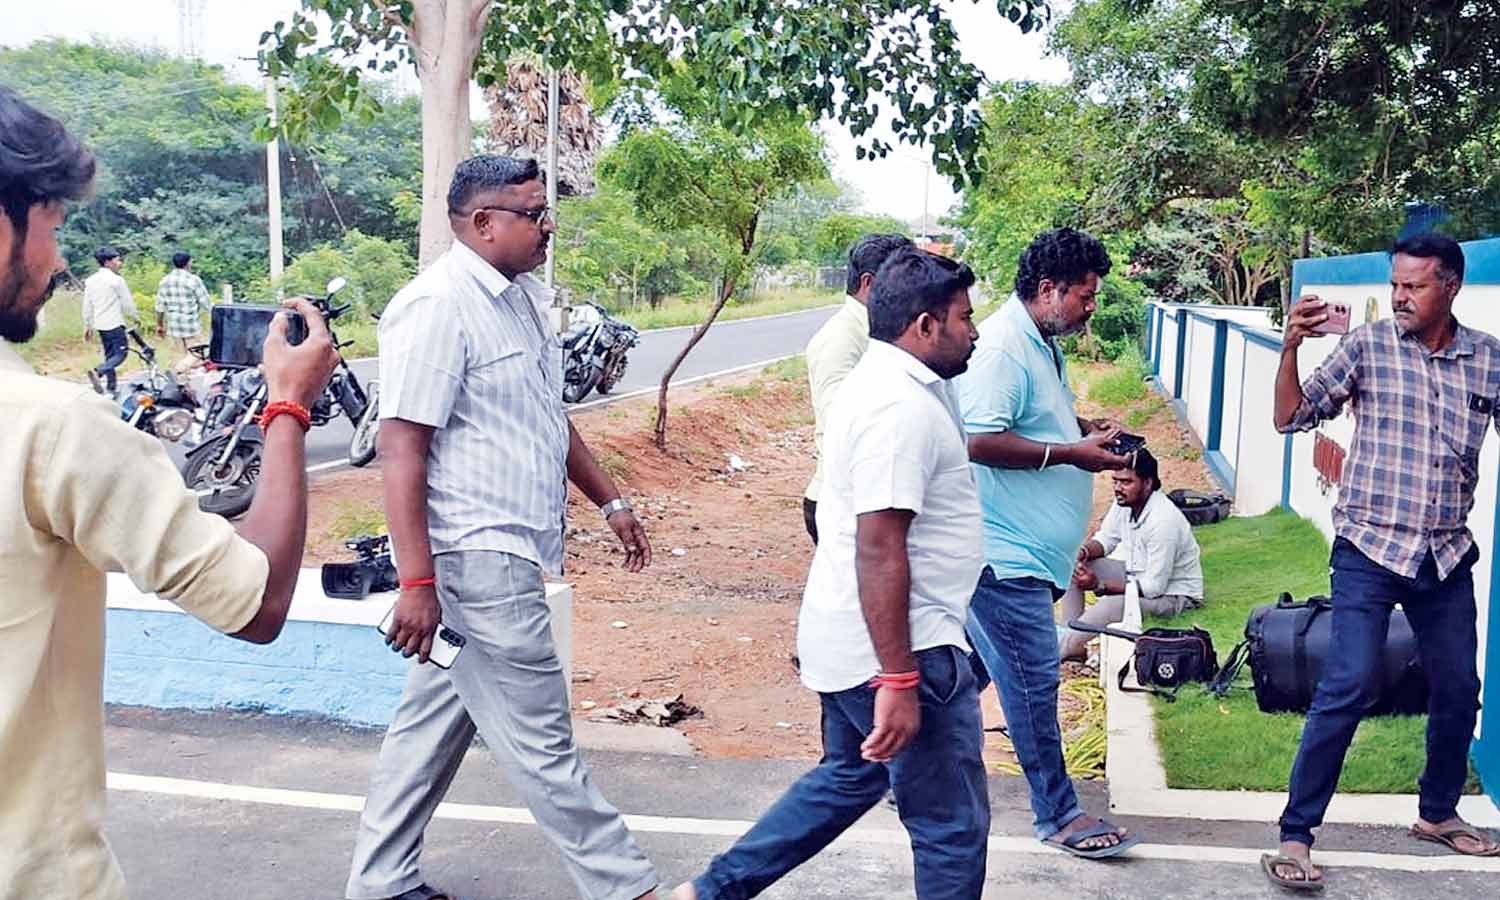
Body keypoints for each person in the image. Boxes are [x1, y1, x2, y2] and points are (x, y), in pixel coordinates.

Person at [0, 86, 340, 900]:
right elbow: (256, 602)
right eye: (51, 225)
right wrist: (288, 405)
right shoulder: (52, 428)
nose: (57, 261)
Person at [345, 155, 660, 900]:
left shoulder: (520, 300)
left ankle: (380, 881)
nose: (548, 227)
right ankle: (628, 888)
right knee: (543, 742)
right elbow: (402, 447)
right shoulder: (437, 306)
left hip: (506, 552)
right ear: (483, 222)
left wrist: (610, 502)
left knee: (429, 728)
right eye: (533, 214)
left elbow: (548, 417)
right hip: (475, 556)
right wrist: (417, 582)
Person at [671, 248, 987, 900]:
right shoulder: (898, 408)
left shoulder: (882, 384)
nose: (975, 331)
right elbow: (879, 547)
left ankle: (708, 893)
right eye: (965, 317)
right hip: (904, 648)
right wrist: (899, 677)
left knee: (849, 777)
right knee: (950, 825)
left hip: (854, 639)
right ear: (925, 326)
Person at [1264, 232, 1500, 890]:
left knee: (1459, 689)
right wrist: (1290, 346)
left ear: (1451, 286)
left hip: (1444, 555)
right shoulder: (1367, 347)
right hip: (1368, 548)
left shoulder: (1489, 359)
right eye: (1396, 284)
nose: (1400, 296)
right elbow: (1290, 418)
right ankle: (1296, 834)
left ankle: (1438, 813)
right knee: (1348, 682)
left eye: (1414, 286)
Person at [954, 226, 1140, 858]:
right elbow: (979, 439)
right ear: (1048, 289)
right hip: (1005, 560)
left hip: (1026, 558)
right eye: (1085, 295)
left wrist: (1083, 428)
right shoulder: (1005, 348)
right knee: (1034, 688)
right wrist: (1071, 454)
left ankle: (905, 774)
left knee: (963, 679)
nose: (1092, 307)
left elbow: (1029, 420)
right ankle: (1057, 815)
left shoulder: (1040, 342)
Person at [802, 232, 913, 543]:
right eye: (905, 281)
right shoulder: (841, 339)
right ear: (869, 283)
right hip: (843, 502)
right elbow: (840, 424)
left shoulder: (881, 332)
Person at [1059, 448, 1203, 661]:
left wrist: (1099, 585)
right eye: (1115, 481)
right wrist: (1083, 552)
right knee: (1072, 565)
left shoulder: (1163, 521)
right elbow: (1106, 539)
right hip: (1137, 575)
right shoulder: (1126, 502)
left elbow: (1153, 588)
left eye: (1126, 482)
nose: (1118, 488)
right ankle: (1072, 643)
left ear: (1148, 483)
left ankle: (1059, 649)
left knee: (1112, 605)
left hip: (1173, 597)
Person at [80, 244, 136, 395]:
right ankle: (98, 371)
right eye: (117, 260)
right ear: (107, 262)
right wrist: (135, 317)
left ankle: (112, 386)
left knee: (110, 355)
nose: (119, 263)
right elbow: (127, 303)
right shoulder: (116, 280)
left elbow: (87, 305)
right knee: (121, 354)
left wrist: (87, 325)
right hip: (115, 323)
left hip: (100, 324)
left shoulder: (91, 281)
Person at [154, 250, 213, 352]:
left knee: (179, 356)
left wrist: (160, 325)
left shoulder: (164, 281)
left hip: (173, 327)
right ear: (188, 263)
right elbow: (206, 304)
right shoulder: (193, 280)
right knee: (196, 356)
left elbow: (160, 307)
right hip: (191, 327)